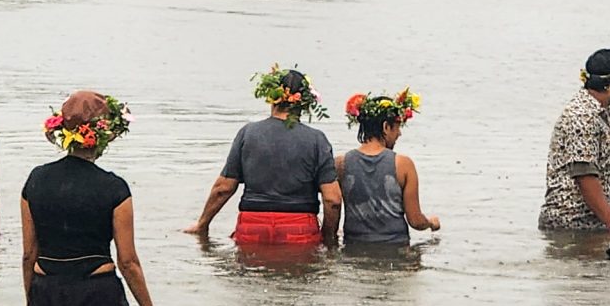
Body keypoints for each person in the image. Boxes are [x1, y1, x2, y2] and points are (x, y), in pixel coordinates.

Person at [21, 91, 161, 306]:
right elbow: (128, 263)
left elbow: (28, 255)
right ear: (105, 137)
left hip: (47, 297)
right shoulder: (114, 188)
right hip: (96, 298)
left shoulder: (36, 179)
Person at [186, 65, 343, 250]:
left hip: (252, 228)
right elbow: (333, 200)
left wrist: (202, 225)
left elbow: (223, 189)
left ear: (271, 98)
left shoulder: (248, 133)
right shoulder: (317, 140)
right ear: (306, 104)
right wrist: (328, 237)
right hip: (299, 230)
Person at [539, 47, 610, 234]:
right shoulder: (583, 116)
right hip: (576, 225)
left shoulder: (598, 113)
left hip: (591, 224)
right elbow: (585, 176)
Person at [336, 89, 439, 244]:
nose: (399, 134)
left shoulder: (341, 163)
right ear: (386, 127)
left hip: (354, 245)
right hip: (395, 246)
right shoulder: (403, 165)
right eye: (397, 127)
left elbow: (332, 204)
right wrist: (431, 223)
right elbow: (415, 220)